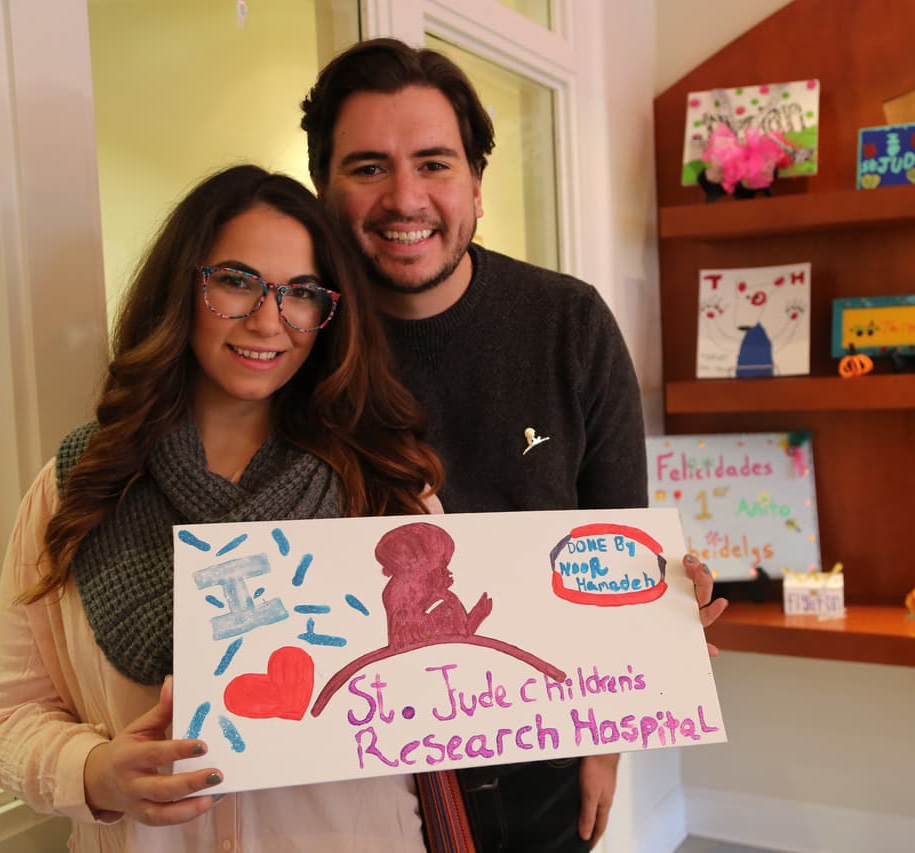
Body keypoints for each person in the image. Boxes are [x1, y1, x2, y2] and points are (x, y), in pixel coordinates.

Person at [300, 38, 728, 852]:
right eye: (368, 167)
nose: (404, 197)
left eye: (434, 163)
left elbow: (616, 538)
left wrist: (608, 738)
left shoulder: (570, 324)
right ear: (324, 189)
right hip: (350, 773)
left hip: (543, 755)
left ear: (476, 184)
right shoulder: (297, 339)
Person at [0, 164, 445, 852]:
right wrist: (95, 772)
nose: (269, 319)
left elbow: (448, 685)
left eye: (301, 293)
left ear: (328, 314)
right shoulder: (78, 486)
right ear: (182, 289)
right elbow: (8, 720)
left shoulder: (386, 491)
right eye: (235, 281)